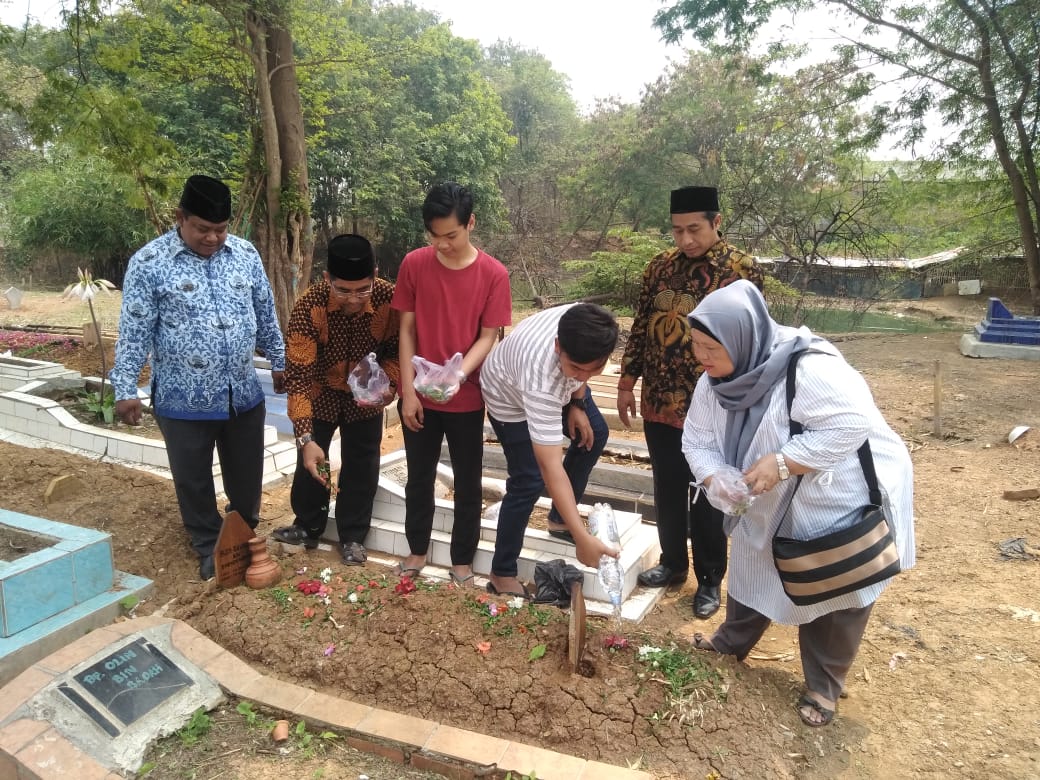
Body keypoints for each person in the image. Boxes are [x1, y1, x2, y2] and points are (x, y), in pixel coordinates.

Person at [680, 280, 915, 727]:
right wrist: (715, 476)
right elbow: (697, 439)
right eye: (696, 345)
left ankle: (823, 686)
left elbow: (850, 425)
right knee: (754, 561)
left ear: (744, 338)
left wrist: (785, 462)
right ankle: (731, 643)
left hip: (835, 492)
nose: (702, 358)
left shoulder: (808, 369)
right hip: (768, 495)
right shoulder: (714, 383)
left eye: (711, 347)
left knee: (832, 582)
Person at [111, 174, 286, 581]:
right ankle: (208, 544)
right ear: (180, 218)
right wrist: (125, 388)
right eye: (203, 229)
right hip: (181, 397)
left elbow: (265, 312)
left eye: (220, 230)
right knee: (193, 480)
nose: (212, 238)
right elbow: (134, 331)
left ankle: (243, 534)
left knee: (246, 477)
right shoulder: (149, 263)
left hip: (241, 393)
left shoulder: (245, 255)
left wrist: (279, 360)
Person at [618, 185, 764, 619]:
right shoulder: (659, 268)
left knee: (709, 490)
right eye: (678, 230)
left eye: (694, 229)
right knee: (666, 485)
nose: (685, 240)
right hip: (660, 398)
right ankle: (672, 563)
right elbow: (643, 325)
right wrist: (627, 380)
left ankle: (710, 579)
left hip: (716, 403)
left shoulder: (742, 270)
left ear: (717, 222)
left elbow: (754, 336)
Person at [391, 182, 512, 586]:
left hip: (466, 396)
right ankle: (416, 550)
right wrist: (408, 391)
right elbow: (406, 330)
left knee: (468, 478)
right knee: (419, 476)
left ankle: (462, 560)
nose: (441, 244)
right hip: (420, 396)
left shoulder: (493, 274)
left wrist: (458, 375)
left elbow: (488, 334)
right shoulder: (414, 264)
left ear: (470, 223)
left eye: (451, 235)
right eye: (434, 235)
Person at [272, 234, 400, 566]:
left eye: (362, 289)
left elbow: (398, 352)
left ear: (374, 273)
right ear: (328, 278)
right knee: (313, 460)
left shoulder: (391, 299)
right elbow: (298, 376)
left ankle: (353, 536)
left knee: (362, 463)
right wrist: (305, 436)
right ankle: (308, 525)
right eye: (343, 290)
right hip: (320, 393)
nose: (354, 299)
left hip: (366, 397)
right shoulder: (309, 305)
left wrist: (388, 386)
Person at [480, 303, 621, 598]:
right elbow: (550, 466)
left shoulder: (586, 322)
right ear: (558, 347)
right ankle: (502, 571)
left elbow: (580, 372)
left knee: (594, 433)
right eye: (577, 368)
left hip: (550, 380)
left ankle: (559, 519)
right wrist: (582, 538)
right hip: (508, 397)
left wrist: (577, 402)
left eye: (594, 369)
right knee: (528, 480)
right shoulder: (541, 381)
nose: (584, 375)